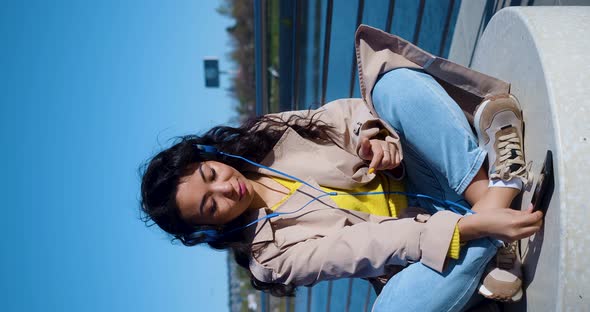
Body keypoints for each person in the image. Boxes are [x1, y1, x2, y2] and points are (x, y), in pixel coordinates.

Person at [139, 25, 543, 311]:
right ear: (209, 229)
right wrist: (469, 228)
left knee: (390, 86)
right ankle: (498, 197)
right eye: (211, 206)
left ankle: (490, 208)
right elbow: (371, 247)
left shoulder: (264, 135)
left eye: (211, 175)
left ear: (208, 156)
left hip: (435, 178)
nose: (225, 190)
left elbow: (340, 118)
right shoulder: (270, 258)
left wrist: (370, 136)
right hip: (423, 245)